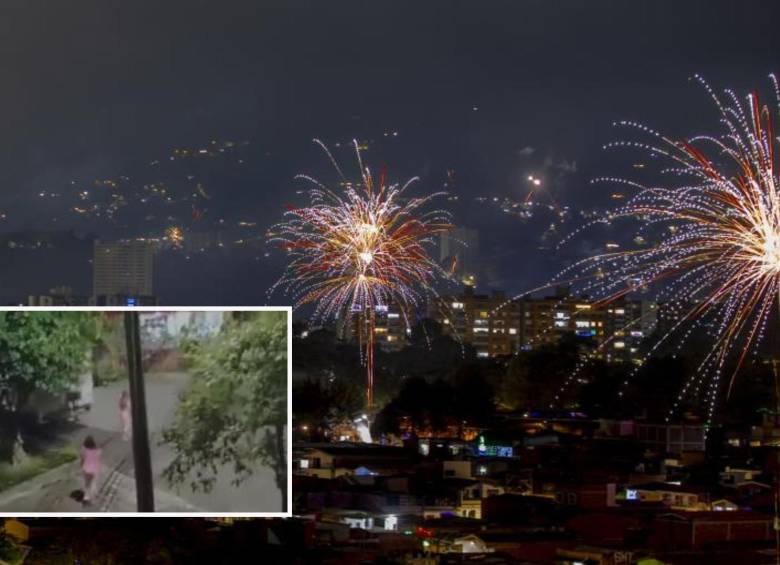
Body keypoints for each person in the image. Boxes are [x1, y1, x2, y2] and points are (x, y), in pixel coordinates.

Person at [80, 435, 102, 505]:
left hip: (86, 469)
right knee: (94, 482)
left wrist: (81, 466)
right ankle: (94, 494)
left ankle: (87, 497)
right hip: (95, 469)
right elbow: (98, 459)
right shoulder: (98, 450)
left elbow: (82, 459)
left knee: (87, 484)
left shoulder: (83, 450)